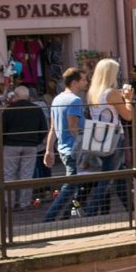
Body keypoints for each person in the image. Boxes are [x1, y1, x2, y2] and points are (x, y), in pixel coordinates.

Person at [81, 59, 134, 217]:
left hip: (98, 134)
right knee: (108, 178)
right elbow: (128, 115)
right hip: (113, 136)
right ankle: (91, 212)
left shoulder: (92, 92)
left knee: (116, 176)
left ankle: (128, 210)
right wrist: (128, 99)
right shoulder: (112, 93)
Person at [41, 67, 88, 221]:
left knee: (79, 185)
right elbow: (73, 127)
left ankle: (68, 215)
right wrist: (87, 144)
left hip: (62, 148)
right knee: (70, 186)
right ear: (74, 82)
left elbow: (53, 128)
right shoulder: (75, 100)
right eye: (83, 80)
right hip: (74, 149)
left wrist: (49, 150)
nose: (86, 83)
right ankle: (49, 218)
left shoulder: (57, 98)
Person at [0, 85, 49, 210]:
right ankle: (24, 203)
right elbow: (44, 128)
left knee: (9, 175)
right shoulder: (36, 109)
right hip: (30, 145)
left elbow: (2, 129)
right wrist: (36, 141)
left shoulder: (9, 109)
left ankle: (8, 203)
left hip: (11, 145)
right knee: (26, 175)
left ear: (15, 96)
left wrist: (4, 142)